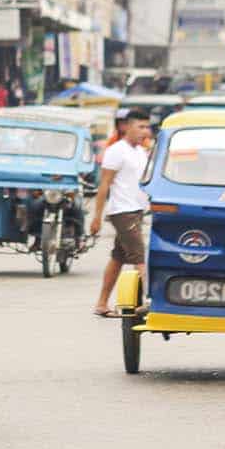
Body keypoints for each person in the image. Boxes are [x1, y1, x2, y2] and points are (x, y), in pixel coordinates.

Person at [89, 108, 152, 317]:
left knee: (118, 258)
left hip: (137, 210)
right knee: (139, 257)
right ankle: (150, 300)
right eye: (140, 126)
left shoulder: (141, 152)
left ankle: (101, 303)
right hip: (122, 211)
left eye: (147, 127)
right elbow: (104, 184)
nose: (145, 131)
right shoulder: (117, 150)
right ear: (126, 127)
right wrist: (96, 217)